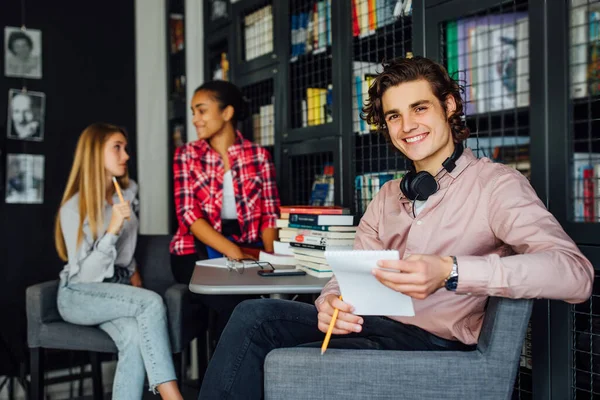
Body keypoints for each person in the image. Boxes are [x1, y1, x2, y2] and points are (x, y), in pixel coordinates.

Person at [197, 56, 595, 399]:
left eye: (419, 108)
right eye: (394, 115)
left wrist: (451, 271)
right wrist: (328, 302)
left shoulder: (497, 185)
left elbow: (574, 274)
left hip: (435, 343)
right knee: (254, 315)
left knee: (272, 356)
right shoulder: (388, 194)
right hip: (376, 324)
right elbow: (346, 276)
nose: (407, 125)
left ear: (449, 106)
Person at [54, 123, 184, 400]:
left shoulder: (126, 193)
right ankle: (173, 397)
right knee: (150, 302)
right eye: (117, 148)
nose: (126, 155)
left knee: (135, 337)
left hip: (116, 288)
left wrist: (133, 271)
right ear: (94, 154)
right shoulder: (73, 209)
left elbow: (128, 247)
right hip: (79, 295)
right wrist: (112, 228)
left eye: (125, 148)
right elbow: (86, 278)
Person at [170, 80, 280, 341]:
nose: (195, 119)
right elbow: (189, 215)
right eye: (193, 111)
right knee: (234, 305)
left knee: (256, 306)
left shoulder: (259, 156)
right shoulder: (186, 155)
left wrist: (271, 257)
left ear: (227, 113)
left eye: (201, 110)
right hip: (195, 251)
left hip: (248, 247)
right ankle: (225, 379)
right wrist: (233, 252)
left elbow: (270, 214)